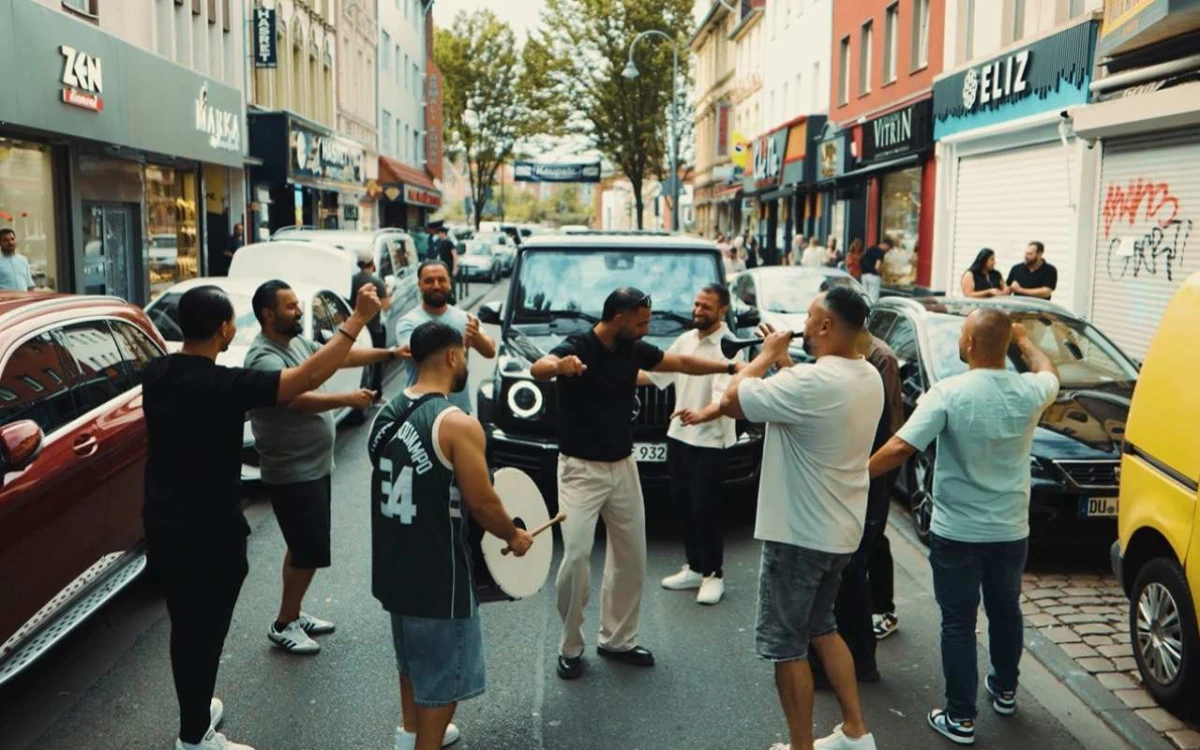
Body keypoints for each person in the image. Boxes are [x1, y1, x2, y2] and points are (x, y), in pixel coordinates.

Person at [142, 283, 381, 750]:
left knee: (187, 627)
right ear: (225, 328)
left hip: (164, 522)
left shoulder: (158, 373)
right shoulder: (225, 385)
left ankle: (196, 710)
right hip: (209, 532)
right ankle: (195, 739)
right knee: (204, 632)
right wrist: (357, 320)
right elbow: (307, 378)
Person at [868, 311, 1059, 746]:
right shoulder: (1031, 390)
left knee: (958, 622)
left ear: (971, 343)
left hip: (957, 532)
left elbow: (900, 447)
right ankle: (1005, 691)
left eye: (961, 333)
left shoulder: (949, 393)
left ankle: (960, 717)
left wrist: (854, 477)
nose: (958, 339)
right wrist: (1023, 340)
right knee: (1006, 610)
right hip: (1010, 530)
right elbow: (1048, 370)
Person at [530, 287, 740, 681]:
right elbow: (538, 368)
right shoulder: (579, 345)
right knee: (575, 559)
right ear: (619, 318)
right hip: (580, 470)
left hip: (624, 467)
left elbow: (680, 362)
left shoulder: (633, 349)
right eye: (641, 322)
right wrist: (560, 366)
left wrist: (728, 368)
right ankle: (570, 646)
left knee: (631, 558)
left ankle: (618, 640)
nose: (647, 328)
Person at [719, 286, 882, 750]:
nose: (803, 325)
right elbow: (809, 401)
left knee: (787, 646)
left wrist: (766, 355)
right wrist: (785, 364)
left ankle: (800, 746)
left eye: (810, 317)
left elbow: (731, 400)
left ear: (827, 325)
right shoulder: (866, 374)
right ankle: (856, 732)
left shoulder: (813, 383)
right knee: (822, 628)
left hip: (798, 537)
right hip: (838, 532)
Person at [370, 321, 534, 750]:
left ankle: (408, 736)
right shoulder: (457, 424)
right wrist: (513, 535)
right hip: (439, 576)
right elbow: (482, 502)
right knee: (443, 684)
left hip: (393, 567)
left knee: (411, 664)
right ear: (452, 355)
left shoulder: (387, 414)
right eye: (464, 353)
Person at [246, 279, 398, 655]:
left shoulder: (295, 342)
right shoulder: (263, 357)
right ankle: (284, 624)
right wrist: (347, 398)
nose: (300, 310)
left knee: (301, 547)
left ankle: (293, 611)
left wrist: (390, 352)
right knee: (308, 550)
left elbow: (337, 356)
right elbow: (295, 399)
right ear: (268, 315)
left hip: (312, 466)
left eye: (298, 303)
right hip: (292, 471)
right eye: (291, 306)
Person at [809, 330, 904, 686]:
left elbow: (890, 433)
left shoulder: (876, 364)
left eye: (816, 321)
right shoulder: (850, 365)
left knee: (850, 573)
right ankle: (856, 660)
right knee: (849, 572)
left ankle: (859, 662)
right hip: (853, 482)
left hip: (863, 481)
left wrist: (866, 479)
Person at [648, 284, 740, 606]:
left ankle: (714, 575)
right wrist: (611, 374)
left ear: (723, 310)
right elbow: (657, 375)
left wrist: (701, 415)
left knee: (705, 509)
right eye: (697, 305)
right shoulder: (686, 339)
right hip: (679, 435)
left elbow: (725, 399)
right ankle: (695, 568)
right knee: (683, 505)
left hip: (711, 441)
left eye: (706, 307)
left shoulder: (730, 346)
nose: (698, 311)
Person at [394, 261, 495, 415]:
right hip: (420, 411)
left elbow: (490, 351)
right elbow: (420, 356)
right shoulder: (408, 322)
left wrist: (476, 336)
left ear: (450, 283)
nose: (436, 286)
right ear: (419, 285)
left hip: (458, 410)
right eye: (429, 281)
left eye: (441, 280)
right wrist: (460, 349)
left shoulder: (465, 319)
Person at [352, 249, 394, 397]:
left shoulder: (352, 280)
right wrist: (388, 293)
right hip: (374, 328)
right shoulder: (377, 282)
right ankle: (376, 395)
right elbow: (386, 305)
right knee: (376, 361)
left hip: (356, 328)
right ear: (372, 263)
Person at [860, 239, 891, 303]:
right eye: (889, 248)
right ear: (886, 245)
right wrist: (881, 274)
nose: (888, 251)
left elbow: (862, 260)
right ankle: (872, 309)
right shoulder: (881, 252)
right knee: (873, 297)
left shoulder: (870, 249)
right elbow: (877, 267)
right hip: (874, 276)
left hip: (864, 275)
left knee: (865, 297)